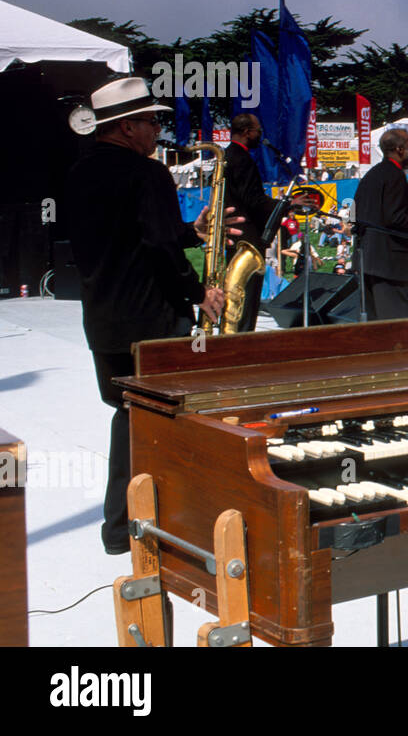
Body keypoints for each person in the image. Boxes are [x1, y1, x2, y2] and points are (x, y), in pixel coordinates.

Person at [65, 77, 237, 554]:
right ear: (124, 127)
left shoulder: (78, 174)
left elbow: (125, 239)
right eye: (149, 121)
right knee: (174, 421)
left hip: (104, 322)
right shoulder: (147, 174)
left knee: (129, 420)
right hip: (153, 323)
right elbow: (156, 246)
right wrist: (199, 292)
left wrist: (188, 230)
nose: (157, 129)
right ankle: (176, 520)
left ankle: (121, 528)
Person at [354, 129, 408, 319]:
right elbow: (394, 218)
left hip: (368, 259)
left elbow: (353, 212)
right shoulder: (395, 176)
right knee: (397, 323)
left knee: (378, 323)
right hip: (390, 263)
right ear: (399, 149)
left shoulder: (371, 175)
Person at [222, 113, 277, 330]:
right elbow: (253, 199)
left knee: (235, 296)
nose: (259, 135)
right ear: (247, 132)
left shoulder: (226, 155)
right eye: (257, 131)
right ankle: (242, 339)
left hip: (231, 232)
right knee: (245, 297)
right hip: (245, 236)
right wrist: (285, 205)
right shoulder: (242, 159)